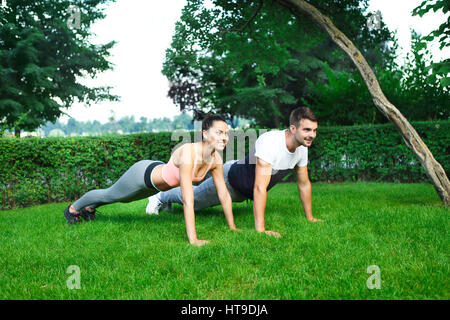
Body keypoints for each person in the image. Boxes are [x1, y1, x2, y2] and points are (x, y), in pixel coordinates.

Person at [146, 107, 323, 238]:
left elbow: (304, 184)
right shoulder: (271, 142)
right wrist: (260, 230)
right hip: (230, 179)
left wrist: (310, 217)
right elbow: (260, 188)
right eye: (307, 130)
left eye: (314, 130)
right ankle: (160, 197)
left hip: (242, 188)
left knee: (197, 199)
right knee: (196, 199)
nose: (312, 135)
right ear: (293, 129)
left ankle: (165, 199)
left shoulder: (301, 150)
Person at [63, 115, 238, 246]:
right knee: (111, 195)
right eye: (219, 132)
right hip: (143, 176)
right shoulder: (189, 154)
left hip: (156, 186)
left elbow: (223, 194)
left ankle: (89, 208)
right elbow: (188, 199)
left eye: (226, 133)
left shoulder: (215, 160)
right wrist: (193, 239)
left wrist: (233, 227)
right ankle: (73, 209)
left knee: (124, 199)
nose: (224, 137)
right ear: (205, 133)